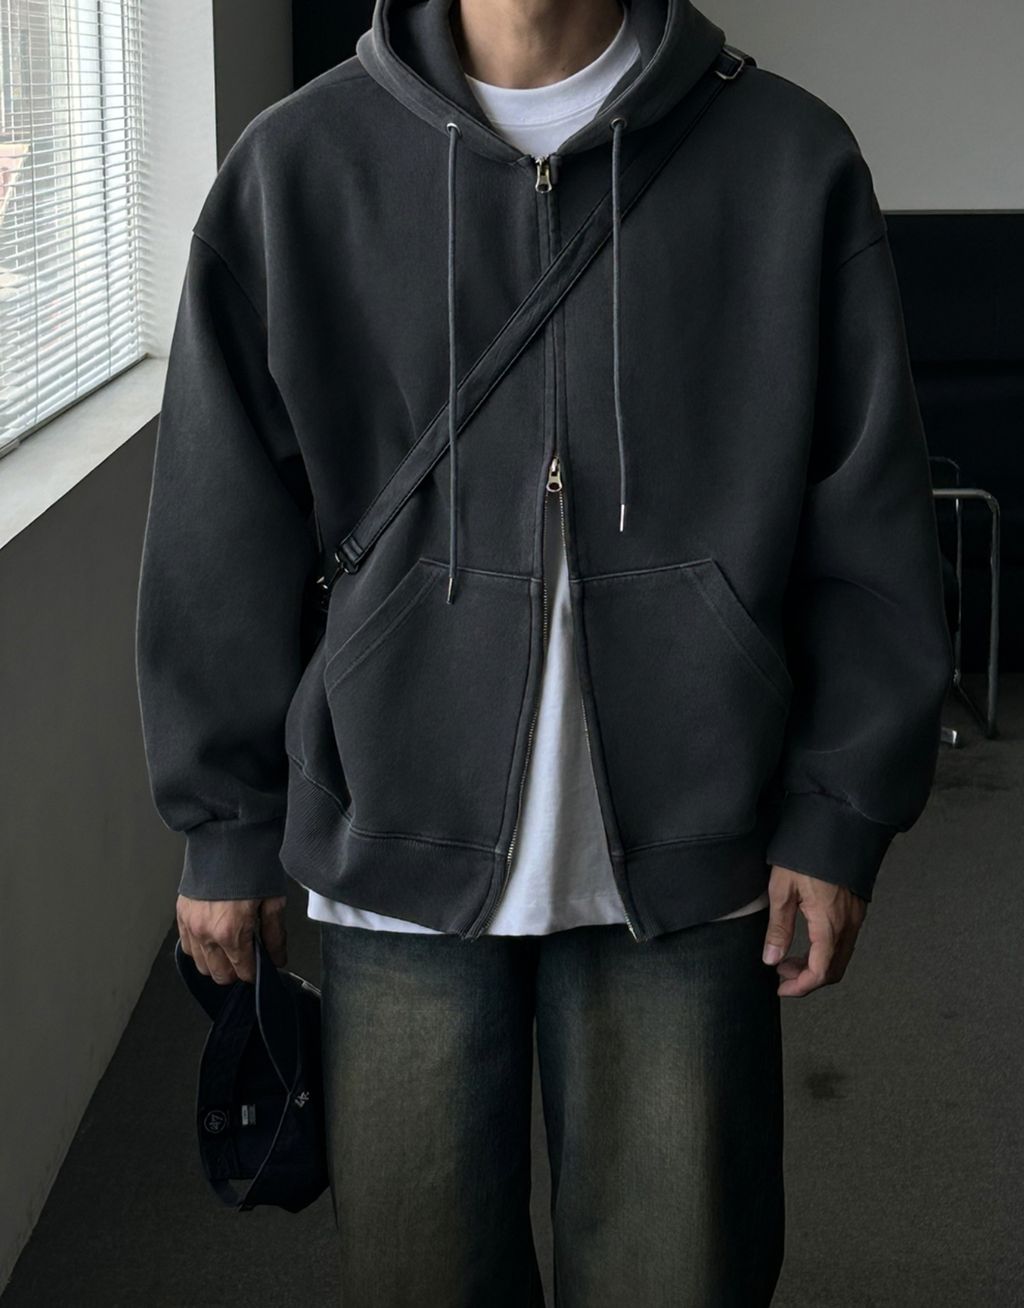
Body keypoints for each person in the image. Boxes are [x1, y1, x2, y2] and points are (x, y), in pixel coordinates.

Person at [135, 0, 953, 1302]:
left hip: (696, 835)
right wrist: (226, 825)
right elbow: (218, 524)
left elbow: (868, 518)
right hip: (397, 827)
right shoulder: (298, 166)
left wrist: (839, 808)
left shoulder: (788, 159)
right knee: (420, 1275)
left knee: (680, 1275)